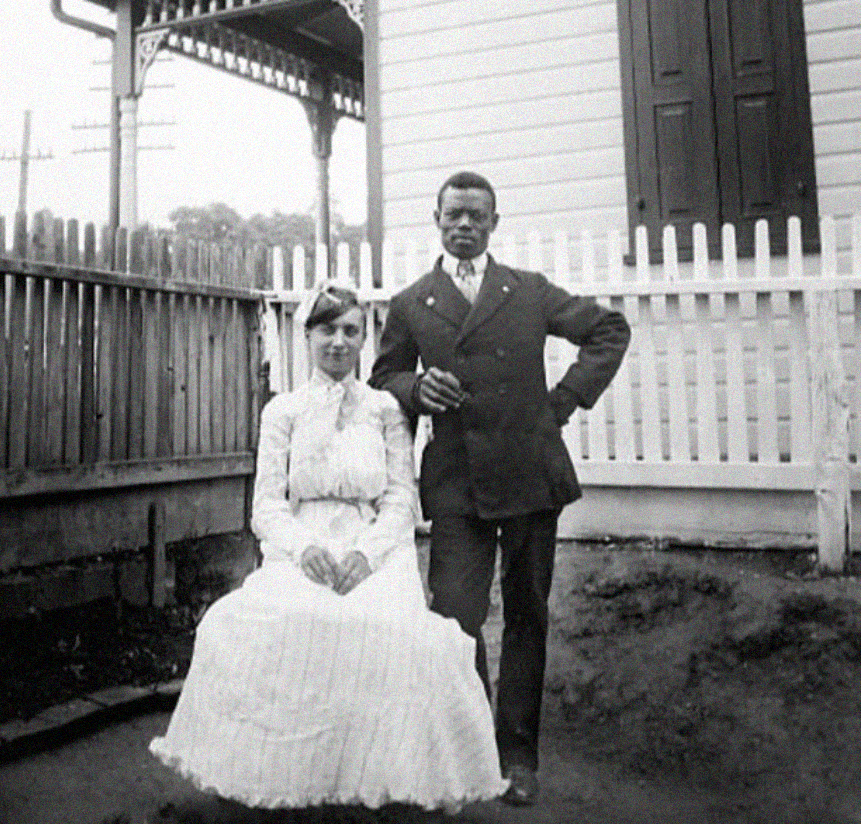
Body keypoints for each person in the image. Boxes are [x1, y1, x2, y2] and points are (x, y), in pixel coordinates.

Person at [149, 281, 507, 812]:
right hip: (303, 544)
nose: (338, 342)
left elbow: (401, 500)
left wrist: (367, 555)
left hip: (374, 547)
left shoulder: (386, 409)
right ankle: (291, 783)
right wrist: (304, 549)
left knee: (390, 631)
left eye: (350, 331)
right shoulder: (283, 411)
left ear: (363, 339)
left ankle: (373, 784)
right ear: (308, 335)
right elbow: (266, 507)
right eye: (326, 330)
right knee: (259, 623)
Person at [369, 171, 631, 806]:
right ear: (436, 219)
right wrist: (413, 389)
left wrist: (562, 402)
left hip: (531, 478)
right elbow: (383, 377)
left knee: (527, 615)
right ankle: (469, 749)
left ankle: (517, 757)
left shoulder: (528, 291)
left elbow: (609, 331)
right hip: (457, 480)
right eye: (453, 214)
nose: (464, 225)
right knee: (456, 617)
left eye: (476, 216)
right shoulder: (412, 304)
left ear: (494, 223)